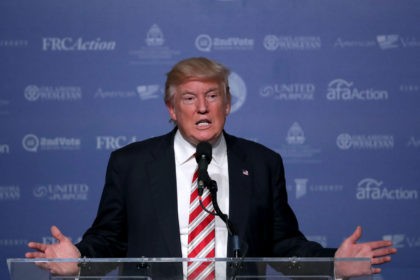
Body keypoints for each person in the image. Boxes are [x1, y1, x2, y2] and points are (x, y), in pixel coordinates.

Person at [26, 57, 396, 278]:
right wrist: (80, 260)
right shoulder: (131, 164)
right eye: (189, 98)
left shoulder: (263, 163)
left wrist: (336, 262)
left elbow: (283, 245)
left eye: (212, 96)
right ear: (172, 109)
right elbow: (109, 239)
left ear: (227, 104)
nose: (202, 107)